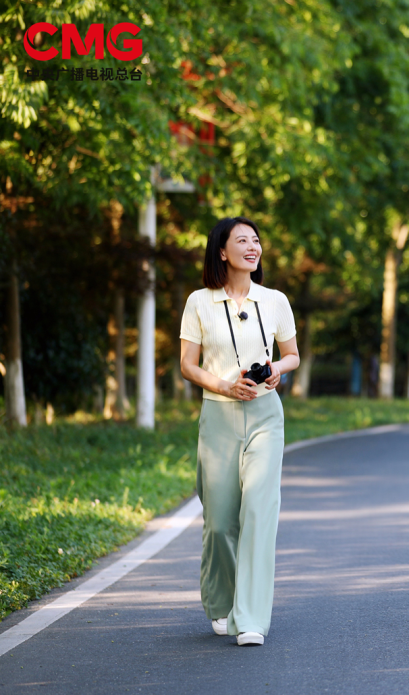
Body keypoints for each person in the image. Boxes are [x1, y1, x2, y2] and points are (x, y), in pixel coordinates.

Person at [179, 216, 299, 646]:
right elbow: (188, 364)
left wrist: (275, 372)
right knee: (219, 520)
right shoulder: (199, 302)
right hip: (219, 416)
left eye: (256, 240)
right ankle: (220, 601)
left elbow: (292, 356)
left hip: (266, 415)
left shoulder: (275, 300)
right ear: (222, 251)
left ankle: (250, 618)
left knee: (258, 513)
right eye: (241, 240)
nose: (252, 246)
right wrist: (225, 385)